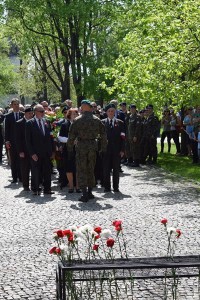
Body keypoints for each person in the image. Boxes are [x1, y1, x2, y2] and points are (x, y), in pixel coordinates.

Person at [67, 100, 107, 202]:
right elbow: (103, 135)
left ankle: (84, 193)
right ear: (90, 107)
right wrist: (103, 148)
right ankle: (89, 192)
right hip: (93, 146)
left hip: (81, 147)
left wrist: (70, 149)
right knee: (91, 169)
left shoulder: (77, 120)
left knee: (81, 170)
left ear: (83, 107)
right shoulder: (97, 120)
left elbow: (71, 137)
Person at [25, 104, 55, 195]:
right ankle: (35, 188)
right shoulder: (29, 123)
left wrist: (53, 151)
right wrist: (32, 153)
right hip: (36, 152)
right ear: (35, 112)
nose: (43, 113)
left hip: (46, 152)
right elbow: (28, 141)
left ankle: (47, 189)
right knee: (36, 171)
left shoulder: (47, 122)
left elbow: (51, 137)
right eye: (41, 111)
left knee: (47, 171)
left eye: (43, 111)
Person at [101, 103, 125, 192]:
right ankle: (107, 187)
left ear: (115, 112)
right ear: (106, 112)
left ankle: (116, 187)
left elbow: (123, 138)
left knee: (116, 170)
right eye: (109, 111)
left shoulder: (120, 122)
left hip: (116, 150)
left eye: (112, 111)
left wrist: (122, 150)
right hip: (106, 150)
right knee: (106, 170)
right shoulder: (102, 123)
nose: (111, 113)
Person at [58, 108, 81, 193]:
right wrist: (70, 140)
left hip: (78, 149)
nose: (75, 116)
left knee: (78, 167)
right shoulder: (64, 124)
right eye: (73, 114)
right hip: (68, 150)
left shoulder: (80, 124)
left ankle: (78, 186)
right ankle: (71, 186)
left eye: (76, 114)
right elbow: (60, 137)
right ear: (69, 115)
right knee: (69, 168)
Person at [4, 98, 24, 182]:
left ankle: (21, 176)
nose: (16, 106)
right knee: (14, 160)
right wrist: (7, 141)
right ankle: (14, 177)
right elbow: (7, 130)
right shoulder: (8, 116)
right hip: (12, 141)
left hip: (22, 142)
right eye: (14, 104)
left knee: (21, 160)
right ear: (11, 105)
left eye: (17, 104)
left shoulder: (23, 115)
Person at [15, 107, 34, 191]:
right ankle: (26, 185)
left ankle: (34, 185)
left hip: (33, 149)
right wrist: (20, 151)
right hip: (24, 149)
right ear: (25, 114)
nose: (31, 115)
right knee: (25, 168)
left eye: (32, 113)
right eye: (29, 113)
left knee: (34, 168)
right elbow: (17, 139)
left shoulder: (33, 122)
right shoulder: (19, 123)